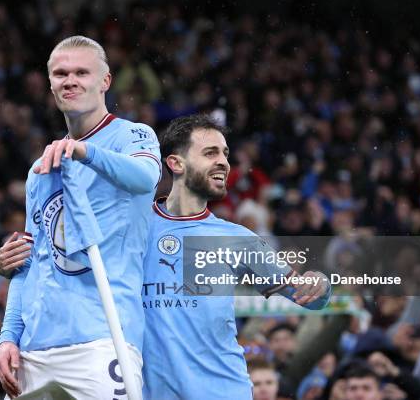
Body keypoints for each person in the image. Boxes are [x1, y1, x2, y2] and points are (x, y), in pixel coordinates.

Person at [0, 35, 161, 399]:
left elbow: (145, 178)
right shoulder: (41, 167)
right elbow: (29, 261)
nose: (70, 80)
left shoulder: (132, 135)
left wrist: (86, 152)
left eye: (82, 72)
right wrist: (9, 336)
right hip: (34, 350)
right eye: (60, 73)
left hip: (102, 340)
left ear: (105, 81)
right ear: (51, 84)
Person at [141, 114, 331, 400]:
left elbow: (312, 298)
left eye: (225, 154)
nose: (223, 162)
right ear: (175, 163)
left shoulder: (238, 239)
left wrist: (320, 284)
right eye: (210, 153)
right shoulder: (134, 228)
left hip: (224, 391)